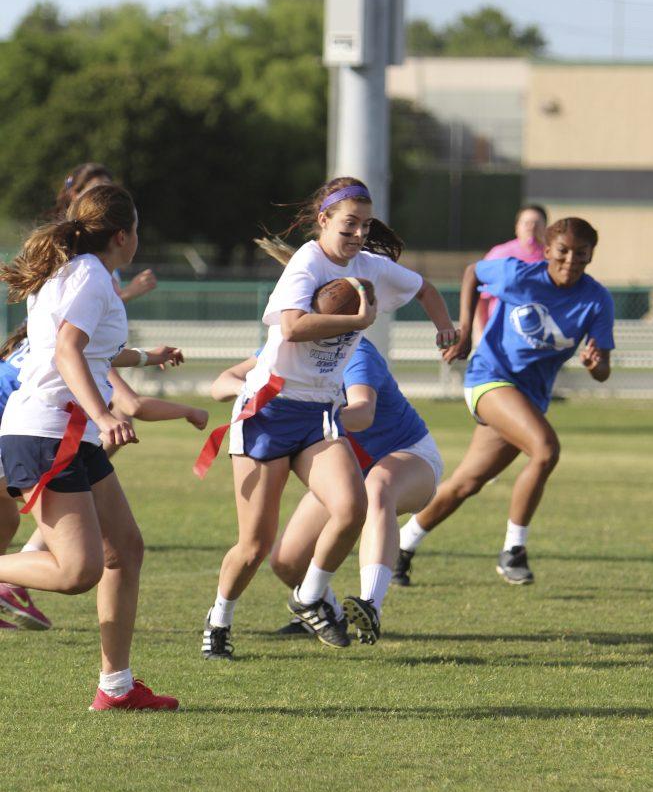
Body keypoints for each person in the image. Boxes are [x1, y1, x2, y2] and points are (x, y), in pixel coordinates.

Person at [199, 175, 457, 657]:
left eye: (364, 224)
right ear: (323, 221)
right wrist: (358, 321)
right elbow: (294, 328)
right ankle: (219, 618)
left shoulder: (369, 266)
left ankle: (312, 594)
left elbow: (424, 288)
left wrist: (445, 326)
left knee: (353, 505)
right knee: (255, 546)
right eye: (348, 224)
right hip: (268, 412)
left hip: (317, 414)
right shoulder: (305, 264)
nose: (358, 234)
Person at [0, 183, 182, 709]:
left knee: (125, 551)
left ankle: (116, 688)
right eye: (138, 231)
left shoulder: (78, 273)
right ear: (123, 236)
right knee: (78, 571)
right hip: (46, 432)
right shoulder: (91, 278)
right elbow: (66, 350)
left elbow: (95, 350)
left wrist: (147, 358)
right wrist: (104, 413)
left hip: (67, 432)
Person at [394, 217, 614, 588]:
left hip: (529, 398)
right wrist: (464, 330)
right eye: (563, 251)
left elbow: (603, 370)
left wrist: (596, 364)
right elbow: (472, 273)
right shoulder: (519, 276)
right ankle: (514, 550)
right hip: (489, 379)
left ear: (592, 256)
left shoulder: (596, 299)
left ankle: (401, 547)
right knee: (546, 450)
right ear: (547, 251)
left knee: (466, 483)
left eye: (581, 253)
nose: (571, 260)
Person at [207, 337, 443, 652]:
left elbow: (363, 413)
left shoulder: (355, 350)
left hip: (407, 455)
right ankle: (322, 607)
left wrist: (302, 415)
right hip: (349, 463)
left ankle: (371, 602)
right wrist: (252, 393)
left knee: (377, 487)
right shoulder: (288, 344)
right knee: (287, 562)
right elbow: (222, 382)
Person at [0, 324, 52, 629]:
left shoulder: (35, 338)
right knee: (66, 504)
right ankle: (11, 583)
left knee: (7, 519)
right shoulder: (65, 340)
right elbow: (130, 405)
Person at [57, 164, 157, 304]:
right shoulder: (86, 267)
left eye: (108, 189)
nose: (105, 196)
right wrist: (128, 293)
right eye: (97, 189)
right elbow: (83, 315)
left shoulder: (100, 261)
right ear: (74, 195)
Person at [473, 203, 548, 343]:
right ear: (516, 227)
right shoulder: (500, 254)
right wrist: (480, 331)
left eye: (537, 223)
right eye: (526, 223)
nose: (531, 227)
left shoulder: (553, 258)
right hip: (502, 335)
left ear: (545, 228)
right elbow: (481, 296)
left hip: (542, 337)